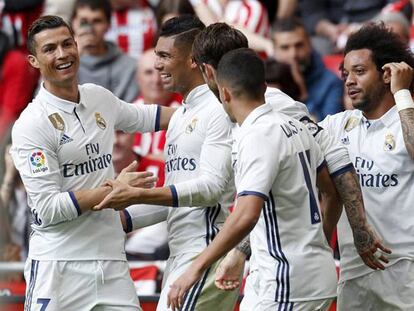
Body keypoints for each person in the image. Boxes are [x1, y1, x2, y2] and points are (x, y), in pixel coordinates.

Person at [10, 15, 173, 310]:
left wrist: (207, 110)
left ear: (77, 46)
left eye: (66, 44)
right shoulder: (31, 125)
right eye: (49, 49)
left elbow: (148, 117)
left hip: (111, 263)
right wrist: (114, 190)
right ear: (33, 61)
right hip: (58, 267)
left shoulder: (99, 98)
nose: (62, 54)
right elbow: (47, 209)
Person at [167, 47, 338, 311]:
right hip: (313, 275)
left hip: (284, 283)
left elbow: (246, 215)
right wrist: (319, 244)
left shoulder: (256, 135)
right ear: (264, 86)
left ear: (224, 93)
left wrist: (195, 268)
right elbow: (332, 192)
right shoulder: (295, 126)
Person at [96, 15, 239, 311]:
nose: (157, 64)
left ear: (192, 59)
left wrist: (140, 194)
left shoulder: (217, 111)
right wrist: (124, 218)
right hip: (181, 253)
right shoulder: (180, 116)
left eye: (164, 55)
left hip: (207, 250)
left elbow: (211, 190)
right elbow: (178, 196)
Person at [319, 22, 414, 310]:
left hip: (406, 272)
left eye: (359, 72)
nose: (349, 81)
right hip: (354, 271)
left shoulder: (407, 120)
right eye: (345, 73)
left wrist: (402, 93)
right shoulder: (338, 125)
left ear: (387, 74)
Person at [272, 18, 344, 121]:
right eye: (285, 48)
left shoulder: (331, 82)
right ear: (274, 50)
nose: (293, 54)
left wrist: (303, 93)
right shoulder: (264, 81)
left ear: (309, 44)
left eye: (299, 45)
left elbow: (328, 131)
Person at [71, 0, 139, 102]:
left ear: (108, 25)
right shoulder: (61, 61)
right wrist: (73, 57)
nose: (90, 29)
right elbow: (47, 101)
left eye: (97, 21)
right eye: (84, 22)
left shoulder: (129, 66)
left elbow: (132, 111)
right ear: (73, 23)